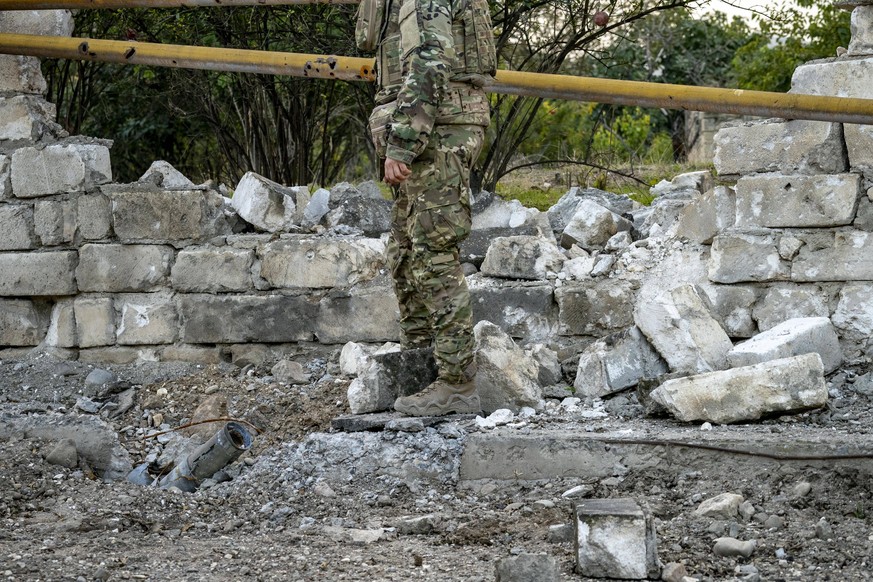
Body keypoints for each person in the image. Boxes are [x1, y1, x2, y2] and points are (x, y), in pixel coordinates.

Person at [356, 0, 496, 416]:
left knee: (433, 254)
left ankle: (457, 383)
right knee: (405, 253)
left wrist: (402, 141)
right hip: (430, 130)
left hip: (439, 132)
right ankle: (420, 367)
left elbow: (431, 61)